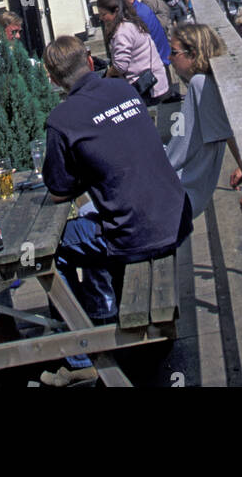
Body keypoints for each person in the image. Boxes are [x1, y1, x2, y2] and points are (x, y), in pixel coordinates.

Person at [42, 36, 192, 383]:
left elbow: (58, 191)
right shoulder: (125, 91)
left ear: (53, 79)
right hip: (175, 214)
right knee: (101, 219)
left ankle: (80, 359)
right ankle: (104, 317)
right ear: (90, 63)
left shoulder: (61, 119)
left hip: (136, 233)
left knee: (49, 254)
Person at [164, 24, 242, 215]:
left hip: (176, 192)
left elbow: (227, 134)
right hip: (180, 190)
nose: (169, 58)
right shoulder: (205, 84)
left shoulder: (200, 85)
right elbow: (226, 130)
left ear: (192, 54)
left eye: (174, 52)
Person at [95, 0, 169, 102]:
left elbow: (121, 66)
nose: (101, 18)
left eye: (104, 14)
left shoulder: (122, 31)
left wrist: (108, 74)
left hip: (148, 87)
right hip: (155, 79)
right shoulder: (131, 22)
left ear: (115, 11)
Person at [115, 0, 173, 73]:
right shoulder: (141, 9)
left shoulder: (137, 15)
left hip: (157, 66)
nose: (115, 2)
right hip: (160, 61)